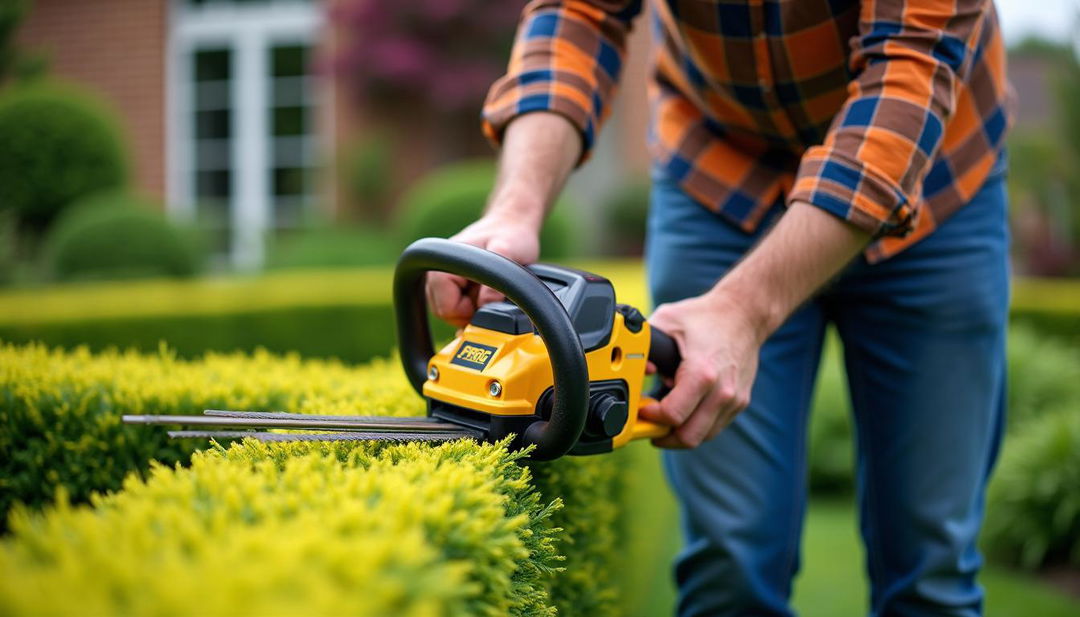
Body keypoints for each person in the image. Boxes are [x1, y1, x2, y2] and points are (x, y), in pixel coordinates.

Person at [426, 1, 1012, 615]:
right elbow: (577, 13)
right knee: (730, 560)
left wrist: (744, 310)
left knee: (930, 567)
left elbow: (905, 78)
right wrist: (515, 206)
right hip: (719, 174)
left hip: (935, 184)